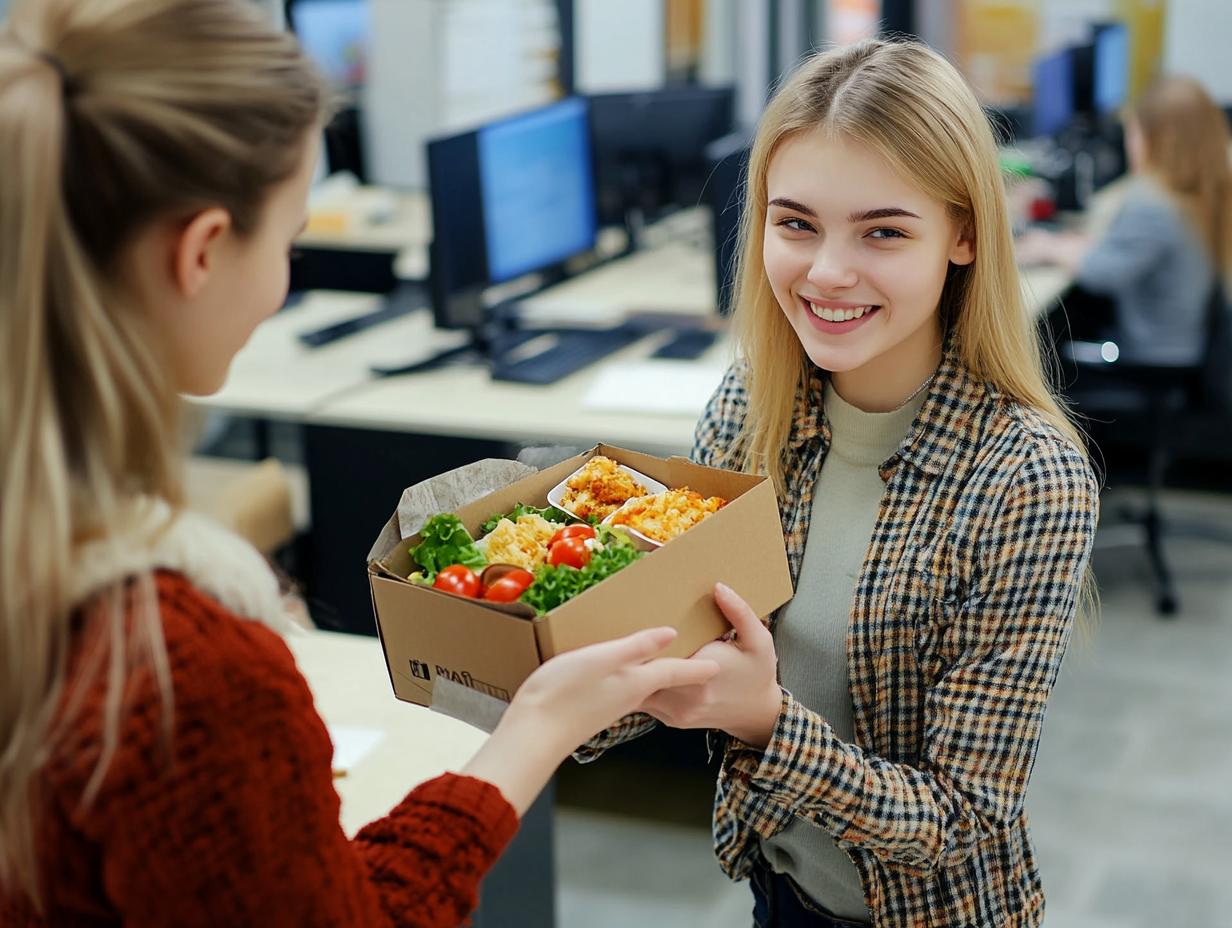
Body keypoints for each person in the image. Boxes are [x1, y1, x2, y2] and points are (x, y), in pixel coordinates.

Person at [0, 1, 719, 925]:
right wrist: (536, 727)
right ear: (204, 250)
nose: (287, 277)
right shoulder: (182, 675)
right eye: (291, 237)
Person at [576, 39, 1099, 928]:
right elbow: (681, 639)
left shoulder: (1027, 477)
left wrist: (767, 725)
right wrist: (547, 667)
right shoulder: (752, 406)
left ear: (964, 233)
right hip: (779, 892)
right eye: (797, 223)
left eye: (884, 231)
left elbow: (964, 819)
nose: (826, 272)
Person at [1017, 75, 1232, 364]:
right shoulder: (1199, 191)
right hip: (1182, 344)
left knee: (1044, 349)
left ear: (1158, 140)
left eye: (1133, 133)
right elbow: (1122, 253)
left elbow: (1100, 274)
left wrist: (1050, 247)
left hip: (1150, 357)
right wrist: (1071, 244)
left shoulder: (1154, 203)